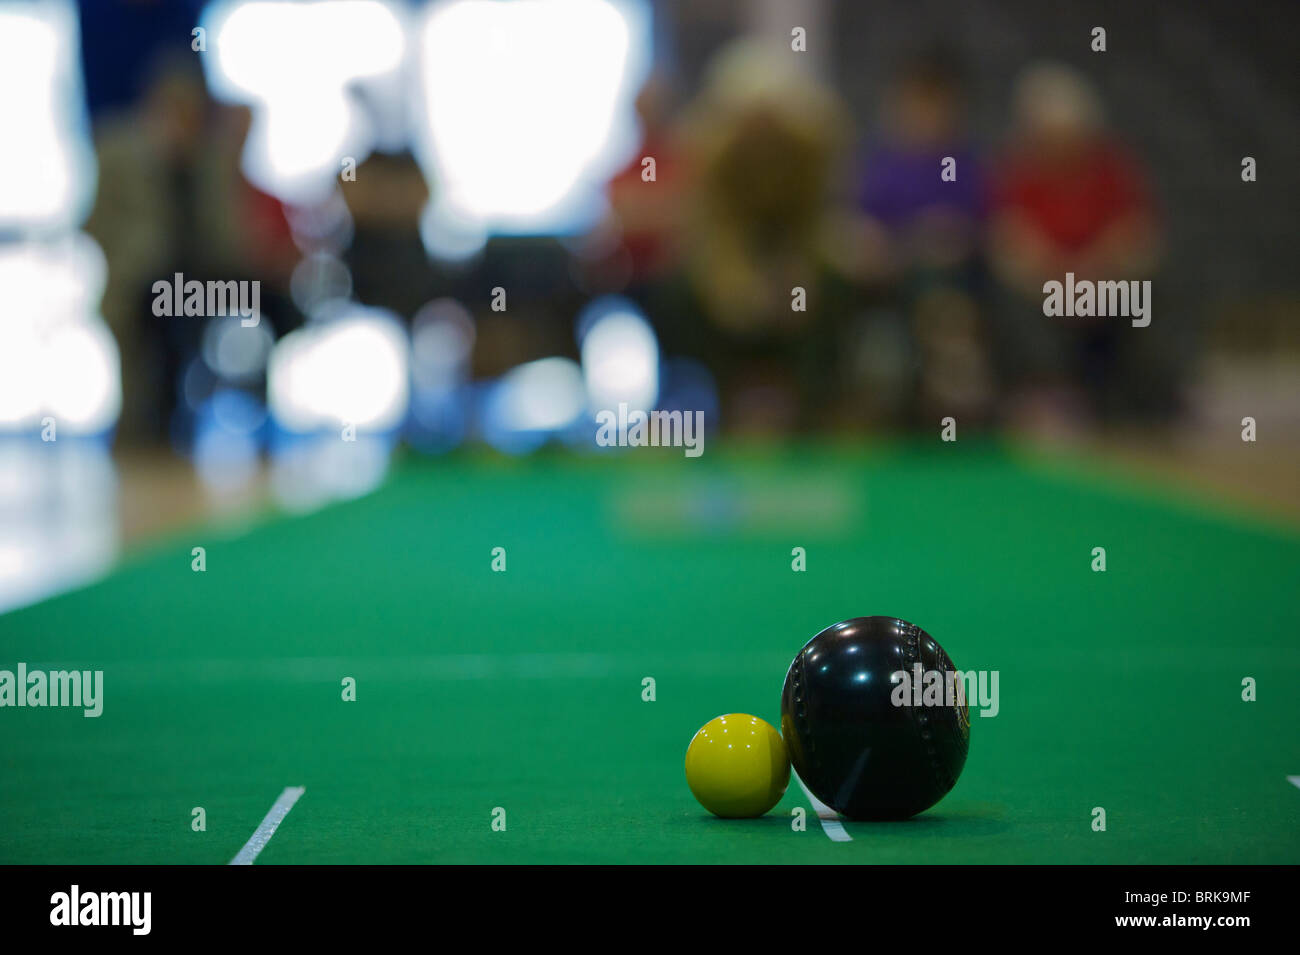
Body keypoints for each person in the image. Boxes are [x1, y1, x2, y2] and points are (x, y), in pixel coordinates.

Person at [988, 62, 1161, 427]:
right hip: (1043, 284)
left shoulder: (1110, 168)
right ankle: (1045, 393)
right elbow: (1010, 234)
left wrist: (1096, 267)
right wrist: (1057, 273)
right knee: (1007, 290)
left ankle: (1132, 397)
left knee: (1143, 289)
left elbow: (1136, 228)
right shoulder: (1018, 170)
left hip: (1104, 279)